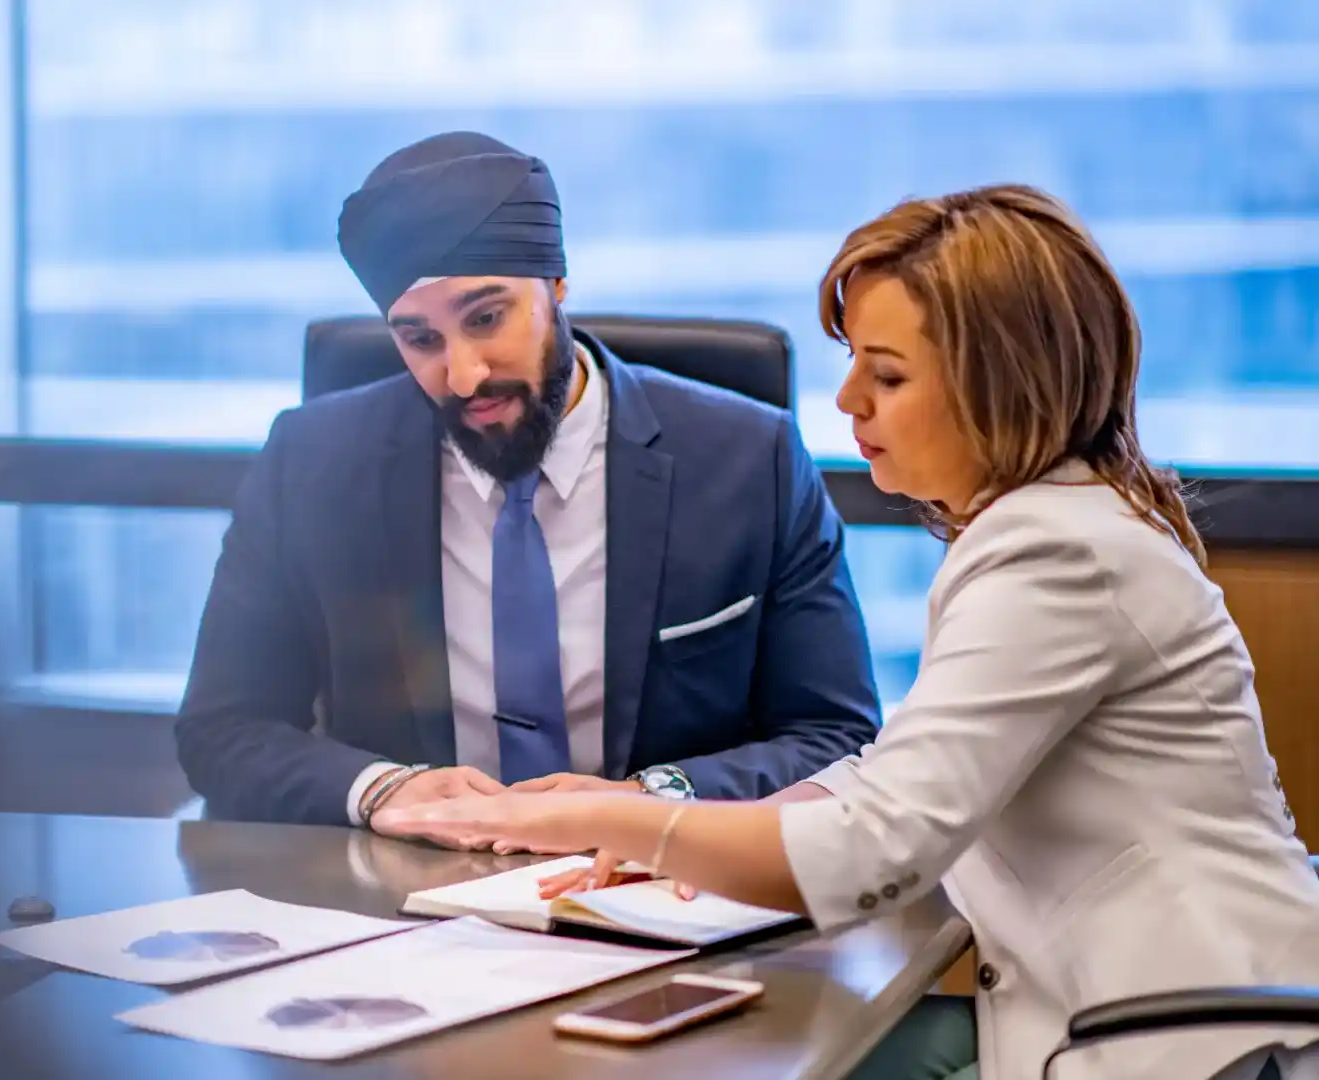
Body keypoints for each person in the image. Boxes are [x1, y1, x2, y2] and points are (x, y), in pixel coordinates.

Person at [375, 183, 1319, 1080]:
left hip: (1193, 1037)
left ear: (1005, 384)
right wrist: (670, 826)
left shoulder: (1055, 556)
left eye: (890, 374)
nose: (848, 403)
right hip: (1129, 1003)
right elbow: (889, 774)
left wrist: (596, 817)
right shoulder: (1047, 526)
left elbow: (879, 845)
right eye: (854, 364)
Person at [175, 130, 881, 833]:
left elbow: (835, 735)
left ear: (557, 284)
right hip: (401, 904)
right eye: (420, 339)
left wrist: (649, 805)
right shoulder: (312, 464)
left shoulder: (749, 459)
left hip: (662, 887)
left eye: (487, 318)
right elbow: (224, 728)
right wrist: (385, 791)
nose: (463, 375)